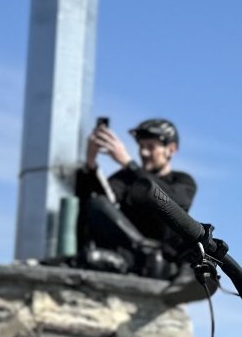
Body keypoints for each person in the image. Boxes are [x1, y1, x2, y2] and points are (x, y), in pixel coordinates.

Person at [74, 117, 197, 277]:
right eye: (141, 146)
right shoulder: (125, 178)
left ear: (171, 150)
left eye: (151, 147)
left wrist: (129, 164)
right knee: (96, 204)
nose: (144, 153)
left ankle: (147, 254)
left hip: (163, 260)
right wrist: (91, 163)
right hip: (125, 255)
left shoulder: (183, 181)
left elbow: (172, 201)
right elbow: (102, 200)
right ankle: (136, 255)